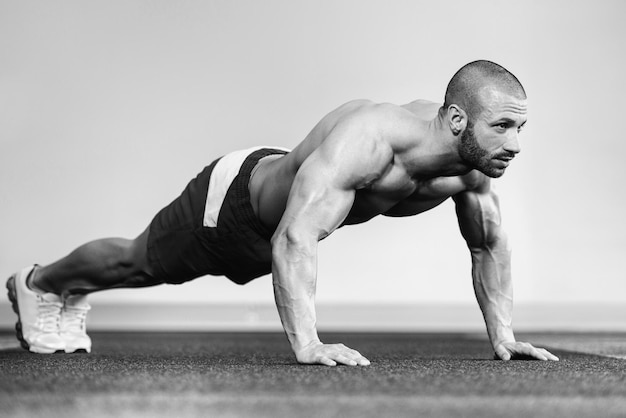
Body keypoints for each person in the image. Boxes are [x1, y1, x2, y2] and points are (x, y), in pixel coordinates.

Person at [7, 60, 559, 364]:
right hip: (236, 204)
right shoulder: (371, 139)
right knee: (140, 263)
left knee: (145, 265)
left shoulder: (471, 169)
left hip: (277, 227)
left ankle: (61, 289)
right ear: (458, 119)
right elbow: (295, 238)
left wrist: (504, 335)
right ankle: (39, 283)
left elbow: (489, 245)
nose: (514, 143)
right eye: (503, 127)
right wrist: (309, 343)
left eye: (520, 128)